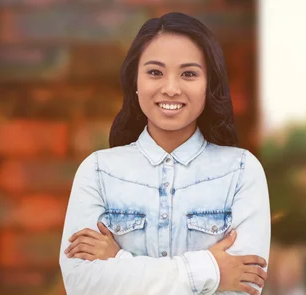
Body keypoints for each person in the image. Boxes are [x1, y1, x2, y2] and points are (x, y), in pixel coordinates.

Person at [59, 12, 271, 295]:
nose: (171, 88)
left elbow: (244, 287)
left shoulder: (242, 171)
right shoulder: (98, 172)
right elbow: (82, 285)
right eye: (155, 72)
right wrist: (211, 270)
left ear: (210, 85)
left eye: (189, 74)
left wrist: (118, 260)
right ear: (135, 81)